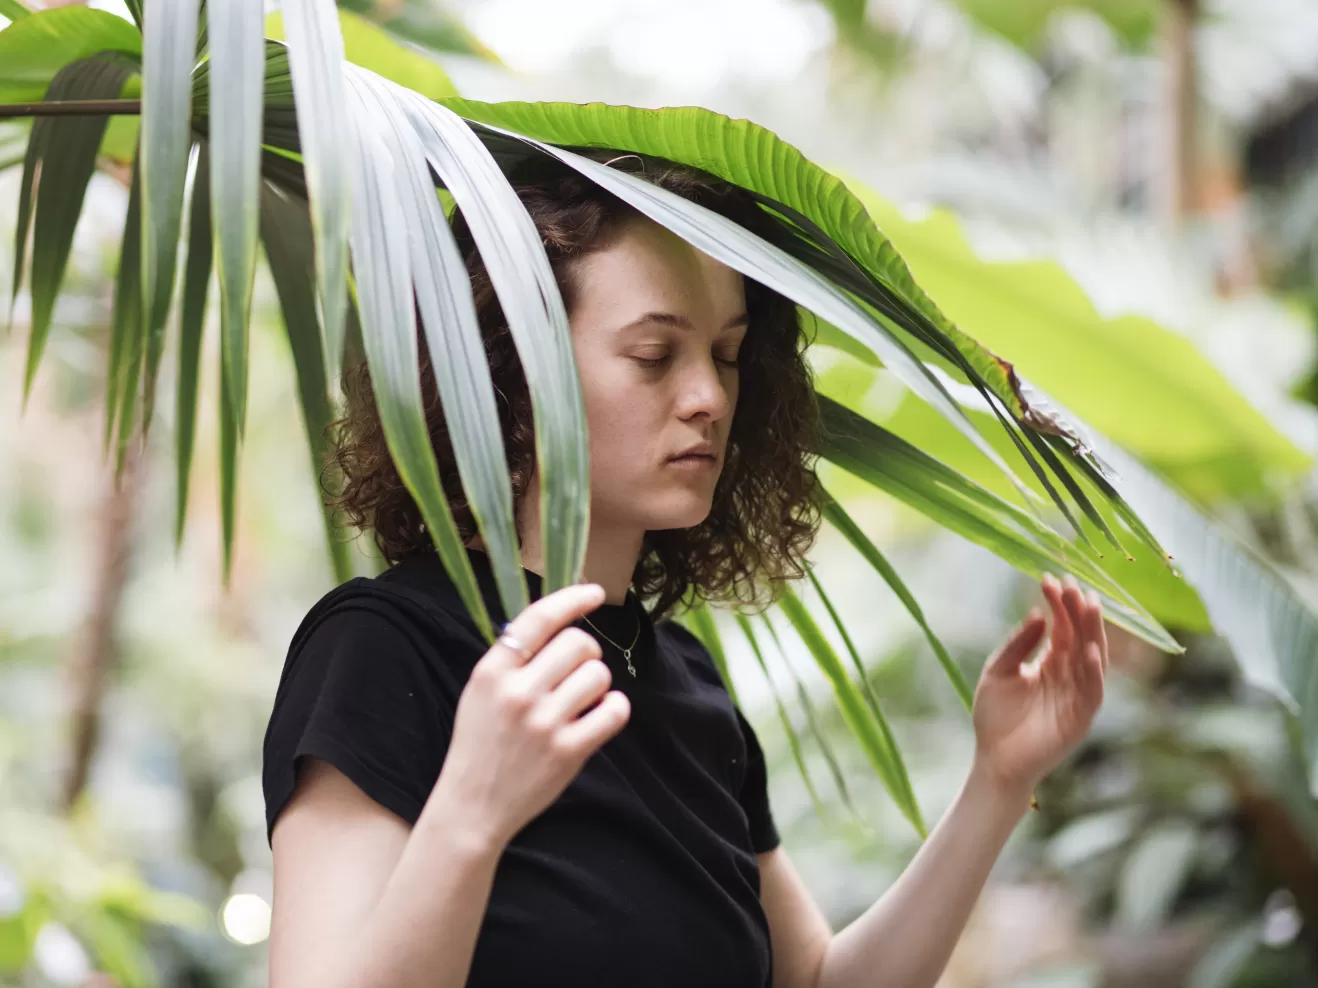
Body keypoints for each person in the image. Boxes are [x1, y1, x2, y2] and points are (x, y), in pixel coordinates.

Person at [261, 151, 1109, 988]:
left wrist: (997, 784)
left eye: (727, 355)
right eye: (655, 356)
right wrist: (470, 817)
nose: (708, 396)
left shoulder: (684, 683)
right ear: (513, 376)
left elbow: (812, 980)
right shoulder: (384, 650)